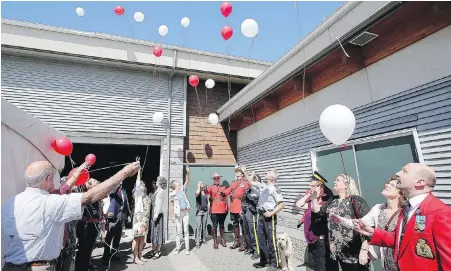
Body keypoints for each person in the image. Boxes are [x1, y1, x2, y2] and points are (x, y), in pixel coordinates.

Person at [1, 160, 140, 271]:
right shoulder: (49, 202)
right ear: (48, 178)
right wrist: (124, 173)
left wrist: (81, 169)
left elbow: (66, 186)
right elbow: (90, 197)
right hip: (38, 267)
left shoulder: (9, 203)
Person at [354, 163, 451, 271]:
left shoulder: (440, 213)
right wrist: (374, 233)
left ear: (420, 183)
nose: (397, 173)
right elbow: (401, 240)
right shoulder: (407, 208)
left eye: (405, 171)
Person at [331, 176, 405, 271]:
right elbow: (359, 224)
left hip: (403, 262)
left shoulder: (406, 212)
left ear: (400, 194)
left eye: (392, 185)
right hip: (386, 264)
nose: (386, 185)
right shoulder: (378, 209)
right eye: (388, 183)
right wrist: (340, 219)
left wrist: (364, 247)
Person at [311, 174, 370, 271]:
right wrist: (314, 197)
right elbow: (318, 211)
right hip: (337, 250)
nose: (334, 182)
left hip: (353, 250)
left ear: (346, 185)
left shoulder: (356, 200)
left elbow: (368, 224)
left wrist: (365, 248)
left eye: (337, 180)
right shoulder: (333, 200)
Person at [244, 168, 285, 271]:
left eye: (269, 172)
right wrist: (244, 172)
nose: (267, 173)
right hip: (261, 215)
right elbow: (250, 181)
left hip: (269, 215)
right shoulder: (263, 185)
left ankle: (274, 264)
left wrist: (271, 213)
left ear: (272, 177)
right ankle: (264, 260)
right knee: (261, 239)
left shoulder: (275, 188)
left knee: (271, 240)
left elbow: (282, 204)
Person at [295, 171, 333, 271]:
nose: (311, 189)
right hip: (310, 239)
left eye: (314, 186)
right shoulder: (310, 202)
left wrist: (315, 196)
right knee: (313, 266)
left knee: (321, 266)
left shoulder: (325, 203)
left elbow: (317, 210)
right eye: (310, 187)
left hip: (320, 241)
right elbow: (298, 204)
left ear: (322, 189)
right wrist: (309, 195)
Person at [75, 179, 102, 271]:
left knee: (88, 249)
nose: (97, 182)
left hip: (92, 226)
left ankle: (85, 266)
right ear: (89, 185)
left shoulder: (95, 196)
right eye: (94, 181)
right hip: (86, 227)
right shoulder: (84, 195)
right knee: (83, 250)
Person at [102, 183, 131, 265]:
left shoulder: (123, 191)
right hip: (113, 217)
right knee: (109, 238)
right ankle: (106, 258)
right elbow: (113, 192)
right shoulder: (113, 190)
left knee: (117, 238)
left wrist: (128, 214)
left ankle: (114, 255)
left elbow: (126, 203)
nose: (121, 183)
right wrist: (117, 184)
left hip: (121, 217)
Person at [205, 172, 230, 249]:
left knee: (222, 225)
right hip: (214, 209)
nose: (216, 179)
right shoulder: (211, 187)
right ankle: (215, 241)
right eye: (215, 178)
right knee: (214, 225)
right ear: (213, 179)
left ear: (220, 179)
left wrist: (227, 208)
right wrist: (204, 188)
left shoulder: (223, 187)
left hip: (222, 209)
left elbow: (226, 197)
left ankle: (222, 239)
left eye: (218, 178)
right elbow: (206, 192)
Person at [228, 166, 250, 250]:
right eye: (236, 171)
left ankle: (244, 243)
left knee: (243, 225)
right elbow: (229, 191)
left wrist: (243, 207)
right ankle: (236, 242)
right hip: (233, 206)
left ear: (242, 173)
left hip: (240, 206)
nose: (236, 173)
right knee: (235, 224)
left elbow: (246, 196)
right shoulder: (233, 183)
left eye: (238, 171)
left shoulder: (245, 183)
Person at [241, 173, 262, 260]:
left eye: (253, 179)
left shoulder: (258, 190)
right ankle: (251, 248)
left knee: (253, 232)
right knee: (246, 232)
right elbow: (243, 200)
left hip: (252, 213)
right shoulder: (248, 190)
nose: (251, 180)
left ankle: (257, 250)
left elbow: (255, 200)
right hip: (245, 212)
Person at [131, 170, 150, 265]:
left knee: (142, 238)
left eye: (143, 184)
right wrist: (138, 171)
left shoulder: (144, 196)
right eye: (141, 184)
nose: (142, 185)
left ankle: (140, 255)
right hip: (138, 218)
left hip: (144, 219)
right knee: (137, 238)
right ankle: (135, 258)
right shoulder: (137, 195)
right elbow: (137, 182)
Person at [169, 176, 191, 255]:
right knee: (178, 231)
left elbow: (186, 181)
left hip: (185, 212)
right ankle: (178, 248)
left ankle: (187, 248)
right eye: (178, 185)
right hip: (178, 214)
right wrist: (171, 216)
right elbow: (171, 206)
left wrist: (188, 173)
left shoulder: (182, 191)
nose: (179, 186)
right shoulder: (172, 195)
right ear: (174, 187)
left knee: (186, 230)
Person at [148, 176, 167, 259]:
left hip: (157, 215)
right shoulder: (157, 191)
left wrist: (155, 216)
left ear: (160, 183)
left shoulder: (161, 191)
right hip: (154, 214)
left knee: (158, 233)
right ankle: (153, 250)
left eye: (157, 180)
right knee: (153, 233)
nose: (156, 182)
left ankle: (158, 251)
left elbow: (159, 205)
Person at [195, 180, 209, 248]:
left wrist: (209, 209)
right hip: (199, 211)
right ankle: (197, 242)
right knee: (198, 227)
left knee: (204, 227)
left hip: (205, 211)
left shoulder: (206, 194)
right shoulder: (197, 193)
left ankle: (203, 239)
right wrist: (198, 186)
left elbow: (208, 202)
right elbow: (197, 193)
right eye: (200, 184)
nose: (202, 185)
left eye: (202, 184)